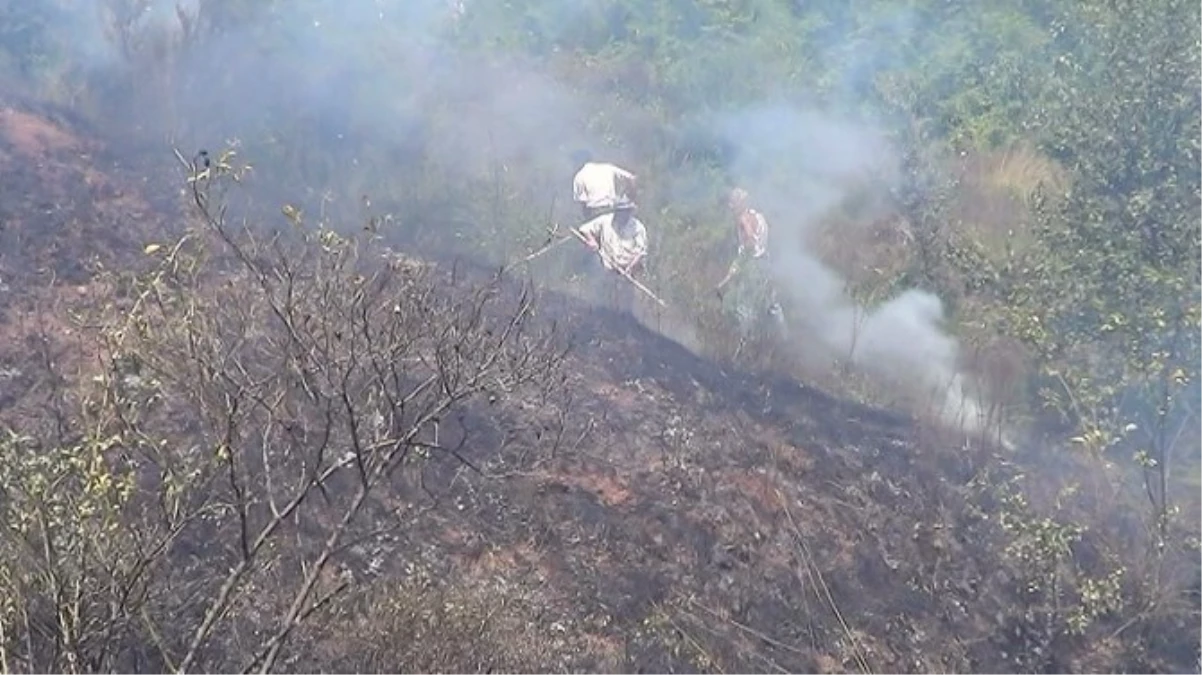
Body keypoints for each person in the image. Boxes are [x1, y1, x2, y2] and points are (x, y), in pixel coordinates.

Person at [716, 187, 785, 353]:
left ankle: (743, 348)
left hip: (753, 268)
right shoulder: (760, 217)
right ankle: (784, 342)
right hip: (766, 265)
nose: (730, 206)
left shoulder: (743, 220)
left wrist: (729, 276)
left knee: (741, 307)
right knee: (772, 307)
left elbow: (749, 244)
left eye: (733, 202)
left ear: (741, 203)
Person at [578, 207, 648, 313]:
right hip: (607, 269)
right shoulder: (606, 221)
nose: (622, 214)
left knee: (625, 304)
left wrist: (629, 268)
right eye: (619, 211)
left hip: (629, 272)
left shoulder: (638, 228)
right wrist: (592, 241)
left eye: (625, 211)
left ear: (630, 212)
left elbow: (641, 252)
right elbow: (584, 229)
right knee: (604, 301)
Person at [571, 149, 639, 221]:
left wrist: (587, 221)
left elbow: (583, 204)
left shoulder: (579, 176)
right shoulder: (608, 167)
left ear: (579, 161)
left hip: (595, 212)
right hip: (614, 210)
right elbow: (632, 178)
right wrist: (630, 198)